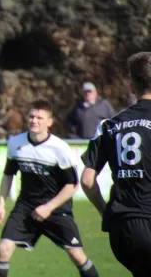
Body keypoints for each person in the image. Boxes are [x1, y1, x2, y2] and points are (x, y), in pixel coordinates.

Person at [0, 99, 98, 277]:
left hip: (56, 209)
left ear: (49, 122)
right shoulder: (16, 143)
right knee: (3, 249)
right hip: (26, 206)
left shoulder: (59, 148)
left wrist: (48, 207)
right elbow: (8, 174)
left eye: (40, 117)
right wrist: (0, 203)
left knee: (77, 255)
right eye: (31, 116)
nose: (34, 121)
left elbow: (72, 185)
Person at [81, 52, 151, 277]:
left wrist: (105, 211)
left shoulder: (109, 125)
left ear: (132, 88)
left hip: (121, 229)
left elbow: (87, 180)